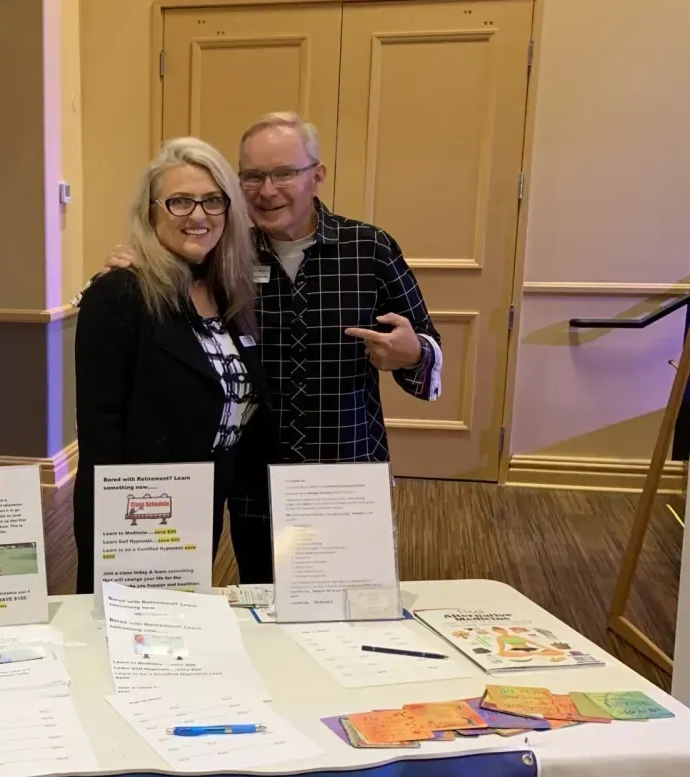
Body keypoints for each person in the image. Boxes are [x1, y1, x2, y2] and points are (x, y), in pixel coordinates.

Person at [101, 112, 441, 582]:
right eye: (253, 176)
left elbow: (427, 346)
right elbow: (165, 298)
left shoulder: (370, 249)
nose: (267, 190)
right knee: (263, 602)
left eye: (284, 173)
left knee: (351, 605)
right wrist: (134, 262)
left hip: (344, 469)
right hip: (254, 477)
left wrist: (414, 354)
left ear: (316, 176)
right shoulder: (224, 254)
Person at [73, 136, 271, 593]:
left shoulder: (226, 291)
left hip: (204, 498)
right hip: (140, 511)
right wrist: (116, 538)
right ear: (151, 212)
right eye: (179, 201)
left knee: (184, 633)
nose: (198, 215)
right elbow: (102, 432)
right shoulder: (120, 295)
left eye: (212, 201)